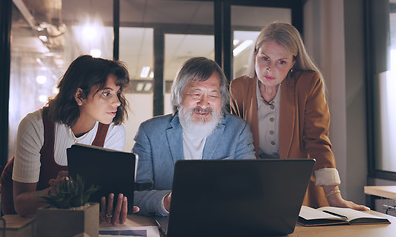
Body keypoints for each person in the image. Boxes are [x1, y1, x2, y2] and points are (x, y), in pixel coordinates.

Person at [229, 22, 368, 210]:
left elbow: (317, 140)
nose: (271, 69)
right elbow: (235, 142)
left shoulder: (308, 83)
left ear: (293, 63)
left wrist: (333, 195)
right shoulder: (238, 88)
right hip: (254, 183)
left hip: (297, 185)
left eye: (281, 62)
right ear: (255, 55)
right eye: (265, 59)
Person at [0, 55, 138, 224]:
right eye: (106, 93)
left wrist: (111, 205)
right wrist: (58, 192)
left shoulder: (114, 131)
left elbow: (98, 199)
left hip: (75, 216)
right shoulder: (35, 125)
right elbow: (22, 204)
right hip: (29, 216)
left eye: (117, 93)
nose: (117, 102)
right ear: (80, 95)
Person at [132, 57, 256, 216]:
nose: (204, 104)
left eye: (213, 95)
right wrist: (166, 201)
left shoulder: (238, 131)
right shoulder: (150, 132)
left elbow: (250, 189)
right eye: (196, 93)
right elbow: (134, 195)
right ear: (178, 96)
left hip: (222, 222)